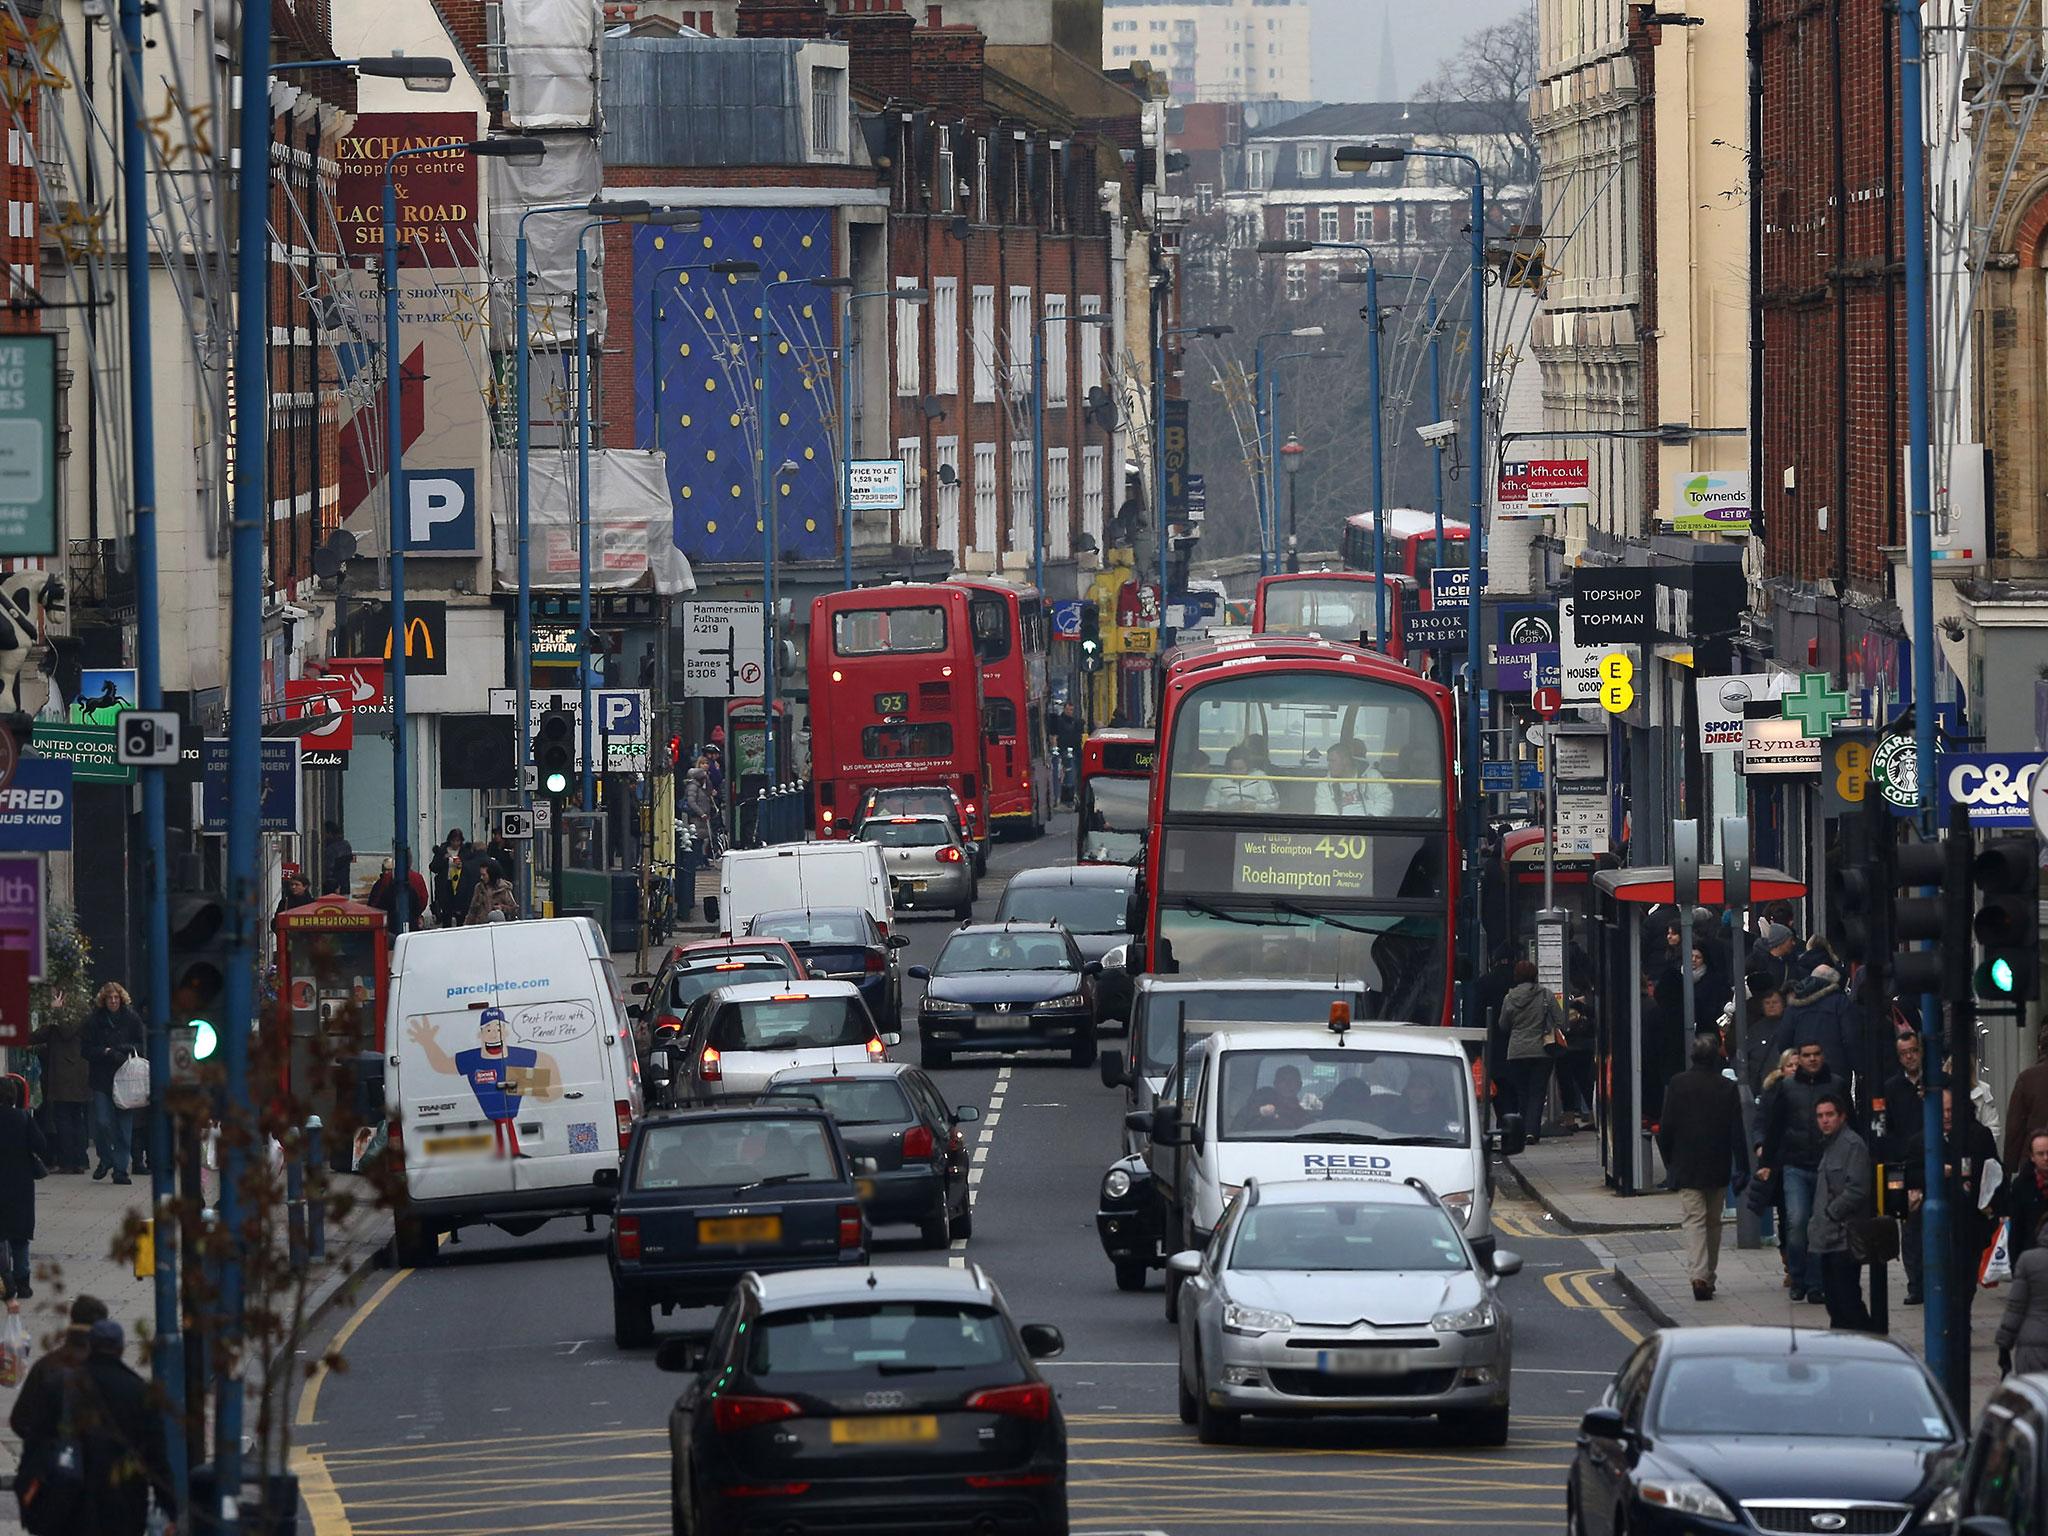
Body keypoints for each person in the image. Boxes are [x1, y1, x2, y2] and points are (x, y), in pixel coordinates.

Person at [1656, 1030, 1748, 1301]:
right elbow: (1737, 1133)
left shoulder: (1678, 1084)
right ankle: (1709, 1275)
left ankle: (1698, 1274)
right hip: (1717, 1164)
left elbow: (1667, 1128)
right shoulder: (1727, 1087)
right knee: (1713, 1223)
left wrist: (1670, 1162)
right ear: (1717, 1054)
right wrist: (1741, 1166)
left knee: (1694, 1221)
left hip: (1686, 1164)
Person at [1758, 1041, 1845, 1303]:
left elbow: (1849, 1123)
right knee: (1796, 1222)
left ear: (1823, 1056)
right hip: (1794, 1165)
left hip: (1826, 1165)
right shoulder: (1787, 1087)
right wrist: (1768, 1163)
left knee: (1819, 1226)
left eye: (1816, 1054)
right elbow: (1775, 1126)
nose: (1812, 1060)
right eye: (1806, 1056)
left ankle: (1816, 1283)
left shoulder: (1837, 1085)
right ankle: (1797, 1277)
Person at [1809, 1089, 1875, 1331]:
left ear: (1842, 1116)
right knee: (1835, 1301)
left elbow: (1857, 1189)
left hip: (1844, 1236)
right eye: (1820, 1116)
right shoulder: (1829, 1146)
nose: (1824, 1120)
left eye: (1829, 1115)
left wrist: (1832, 1212)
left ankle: (1868, 1342)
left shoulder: (1852, 1145)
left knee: (1847, 1300)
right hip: (1827, 1236)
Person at [81, 984, 142, 1185]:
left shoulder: (131, 1018)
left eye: (116, 997)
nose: (113, 1001)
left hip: (126, 1079)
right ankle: (105, 1158)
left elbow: (141, 1044)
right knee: (102, 1122)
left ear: (121, 999)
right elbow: (86, 1049)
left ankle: (120, 1169)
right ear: (104, 1000)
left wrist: (122, 1049)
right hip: (102, 1079)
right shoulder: (94, 1021)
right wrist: (105, 1052)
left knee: (124, 1129)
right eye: (110, 998)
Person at [1500, 961, 1562, 1142]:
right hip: (1541, 1051)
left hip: (1517, 1051)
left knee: (1522, 1092)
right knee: (1537, 1092)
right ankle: (1531, 1131)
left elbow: (1503, 1025)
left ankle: (1521, 1131)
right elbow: (1559, 1019)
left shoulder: (1509, 998)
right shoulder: (1546, 995)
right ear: (1535, 975)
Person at [1774, 965, 1861, 1088]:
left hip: (1802, 1069)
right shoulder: (1840, 1002)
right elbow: (1850, 1038)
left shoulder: (1794, 1005)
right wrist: (1858, 1067)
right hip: (1835, 1069)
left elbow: (1784, 1040)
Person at [0, 1077, 45, 1299]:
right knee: (20, 1237)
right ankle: (23, 1281)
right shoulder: (22, 1118)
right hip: (20, 1184)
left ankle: (4, 1281)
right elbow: (40, 1144)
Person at [30, 1005, 87, 1175]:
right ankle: (76, 1160)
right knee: (72, 1118)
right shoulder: (62, 1015)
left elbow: (66, 1031)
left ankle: (71, 1162)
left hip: (70, 1075)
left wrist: (57, 1011)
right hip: (65, 1075)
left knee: (68, 1119)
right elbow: (45, 1034)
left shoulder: (76, 1012)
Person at [1997, 1224, 2048, 1375]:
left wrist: (2004, 1345)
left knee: (2034, 1394)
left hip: (2033, 1345)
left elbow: (2015, 1308)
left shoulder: (2028, 1260)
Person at [2005, 1023, 2048, 1177]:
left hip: (2033, 1163)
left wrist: (2009, 1167)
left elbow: (2015, 1128)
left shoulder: (2027, 1079)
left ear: (2039, 1047)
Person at [2009, 1129, 2048, 1270]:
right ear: (2032, 1157)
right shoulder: (2022, 1185)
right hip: (2033, 1260)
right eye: (2040, 1154)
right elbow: (2017, 1230)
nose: (2045, 1158)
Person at [1313, 740, 1384, 816]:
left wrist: (1372, 820)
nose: (1329, 765)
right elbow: (1324, 812)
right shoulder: (1325, 784)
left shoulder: (1372, 776)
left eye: (1332, 761)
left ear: (1345, 760)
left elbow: (1384, 801)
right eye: (1328, 761)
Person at [1203, 747, 1278, 813]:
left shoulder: (1261, 777)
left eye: (1241, 769)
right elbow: (1209, 807)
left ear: (1248, 767)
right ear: (1228, 768)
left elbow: (1274, 804)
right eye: (1234, 769)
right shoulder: (1219, 780)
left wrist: (1254, 806)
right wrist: (1229, 807)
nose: (1238, 773)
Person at [366, 858, 431, 933]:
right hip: (412, 921)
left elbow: (375, 902)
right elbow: (423, 899)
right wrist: (416, 914)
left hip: (390, 923)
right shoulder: (417, 878)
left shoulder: (385, 881)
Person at [1252, 1064, 1321, 1130]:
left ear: (1299, 1085)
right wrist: (1261, 1112)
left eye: (1293, 1080)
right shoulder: (1260, 1102)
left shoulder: (1304, 1116)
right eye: (1283, 1080)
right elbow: (1244, 1121)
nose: (1288, 1084)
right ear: (1275, 1083)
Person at [428, 829, 468, 926]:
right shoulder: (442, 850)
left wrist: (461, 864)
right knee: (446, 912)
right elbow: (433, 867)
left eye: (458, 841)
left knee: (459, 912)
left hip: (459, 885)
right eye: (453, 841)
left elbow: (469, 867)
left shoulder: (464, 851)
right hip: (445, 885)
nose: (455, 843)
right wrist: (443, 859)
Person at [465, 861, 519, 926]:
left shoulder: (504, 889)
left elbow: (514, 909)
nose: (481, 877)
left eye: (484, 875)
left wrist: (502, 908)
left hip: (498, 926)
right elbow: (472, 910)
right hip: (481, 926)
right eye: (481, 875)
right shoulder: (479, 888)